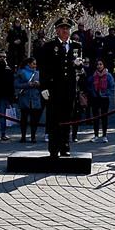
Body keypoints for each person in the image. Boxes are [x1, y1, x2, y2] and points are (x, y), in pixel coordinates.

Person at [39, 19, 81, 157]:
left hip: (69, 88)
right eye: (62, 28)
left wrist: (78, 65)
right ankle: (53, 148)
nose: (65, 31)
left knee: (67, 118)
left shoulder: (76, 46)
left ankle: (65, 146)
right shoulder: (49, 46)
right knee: (53, 119)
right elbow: (44, 68)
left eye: (67, 28)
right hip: (54, 88)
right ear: (57, 30)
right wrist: (44, 87)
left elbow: (79, 68)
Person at [15, 56, 43, 144]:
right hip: (24, 97)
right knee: (24, 118)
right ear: (29, 64)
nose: (35, 65)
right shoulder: (21, 72)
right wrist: (27, 84)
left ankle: (33, 136)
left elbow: (43, 84)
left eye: (35, 64)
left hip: (35, 98)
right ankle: (23, 136)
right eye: (33, 63)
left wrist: (39, 84)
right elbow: (16, 84)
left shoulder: (38, 73)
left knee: (34, 119)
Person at [89, 57, 115, 140]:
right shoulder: (93, 75)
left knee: (104, 117)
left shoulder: (108, 75)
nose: (99, 66)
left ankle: (104, 135)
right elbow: (89, 85)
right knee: (95, 117)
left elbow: (112, 87)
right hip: (95, 98)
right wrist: (93, 92)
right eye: (98, 64)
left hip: (104, 98)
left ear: (104, 65)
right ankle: (96, 135)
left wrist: (105, 93)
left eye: (101, 64)